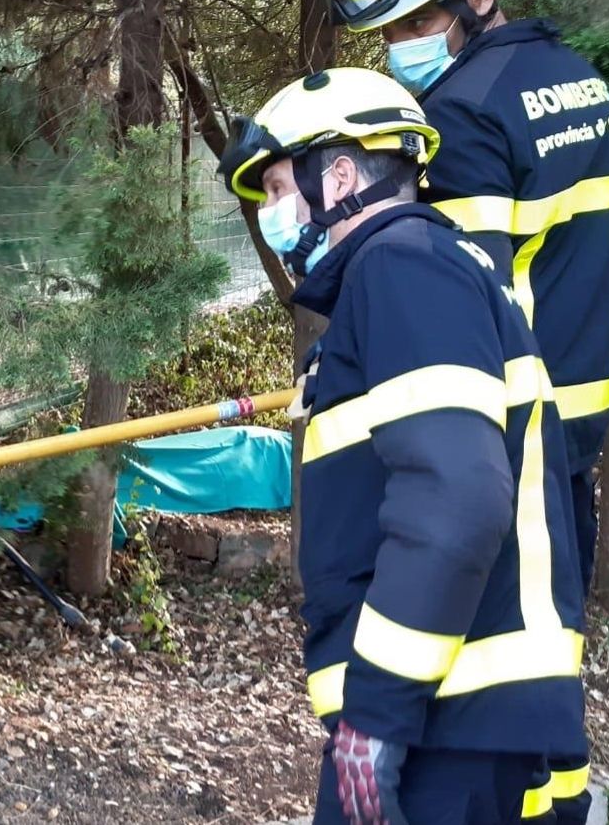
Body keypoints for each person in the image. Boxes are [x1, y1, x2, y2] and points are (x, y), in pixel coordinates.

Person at [217, 67, 588, 824]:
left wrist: (375, 722)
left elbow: (457, 501)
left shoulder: (403, 266)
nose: (273, 215)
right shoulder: (432, 271)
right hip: (461, 726)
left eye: (279, 187)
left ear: (339, 176)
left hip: (438, 735)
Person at [324, 0, 609, 816]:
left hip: (505, 437)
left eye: (416, 23)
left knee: (485, 674)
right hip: (577, 426)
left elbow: (459, 295)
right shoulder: (583, 82)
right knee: (548, 654)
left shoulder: (460, 113)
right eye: (389, 31)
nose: (400, 47)